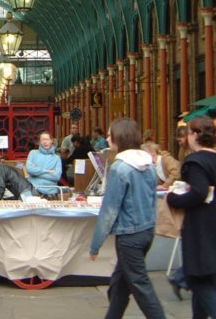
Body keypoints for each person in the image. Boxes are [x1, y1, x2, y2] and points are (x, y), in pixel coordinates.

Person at [89, 118, 166, 319]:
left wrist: (95, 244)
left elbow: (110, 209)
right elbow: (152, 198)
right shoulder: (148, 164)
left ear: (119, 138)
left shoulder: (119, 167)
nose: (107, 138)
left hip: (129, 236)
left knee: (141, 287)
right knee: (119, 285)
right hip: (146, 230)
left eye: (109, 134)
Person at [166, 116, 216, 319]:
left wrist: (174, 198)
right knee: (203, 278)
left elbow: (199, 192)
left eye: (189, 133)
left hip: (200, 228)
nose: (187, 137)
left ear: (196, 135)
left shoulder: (195, 162)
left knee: (195, 279)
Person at [25, 131, 62, 196]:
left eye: (47, 139)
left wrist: (35, 173)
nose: (45, 142)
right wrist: (47, 171)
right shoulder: (33, 153)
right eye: (42, 140)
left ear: (51, 141)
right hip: (33, 189)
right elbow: (29, 170)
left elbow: (56, 177)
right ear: (39, 142)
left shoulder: (56, 158)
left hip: (51, 192)